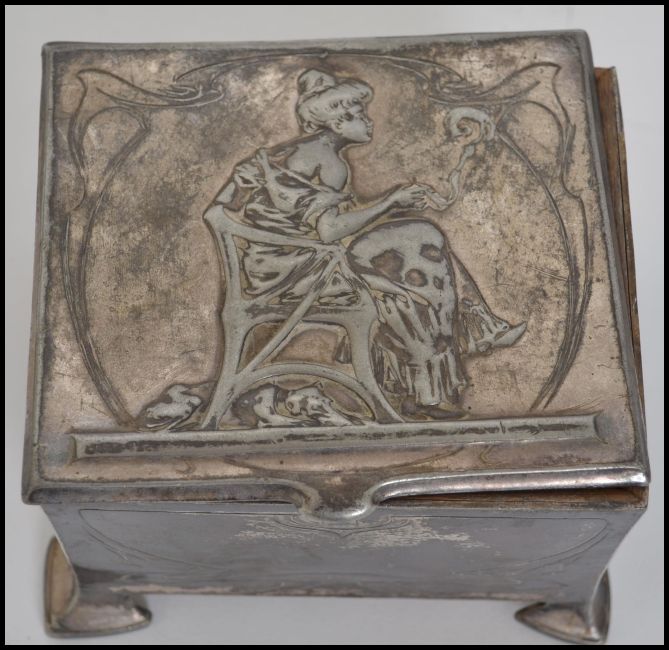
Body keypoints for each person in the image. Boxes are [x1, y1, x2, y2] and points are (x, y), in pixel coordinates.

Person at [206, 68, 525, 420]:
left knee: (420, 238)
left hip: (267, 266)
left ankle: (467, 339)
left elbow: (216, 212)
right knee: (420, 248)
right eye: (360, 114)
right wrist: (391, 201)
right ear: (337, 122)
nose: (369, 122)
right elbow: (330, 231)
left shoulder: (274, 156)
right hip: (300, 274)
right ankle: (443, 372)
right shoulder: (330, 163)